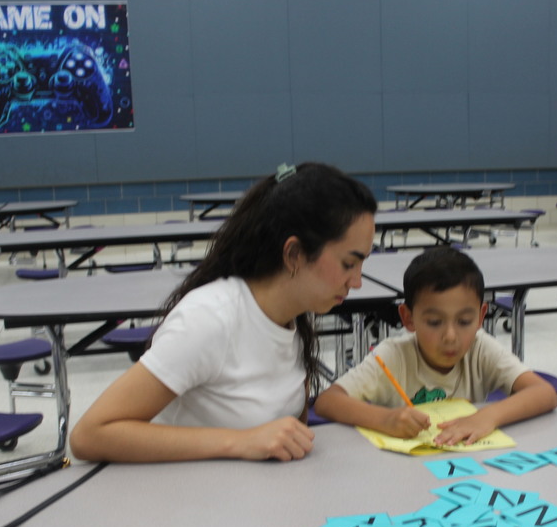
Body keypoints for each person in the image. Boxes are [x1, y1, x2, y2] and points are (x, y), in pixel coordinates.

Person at [69, 162, 378, 463]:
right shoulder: (208, 319)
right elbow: (90, 435)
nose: (358, 282)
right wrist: (241, 442)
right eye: (348, 264)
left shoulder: (292, 318)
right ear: (294, 254)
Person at [313, 247, 557, 446]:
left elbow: (544, 393)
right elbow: (327, 402)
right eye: (434, 322)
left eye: (464, 321)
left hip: (465, 468)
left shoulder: (480, 348)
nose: (451, 336)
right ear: (408, 318)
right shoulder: (393, 356)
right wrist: (384, 419)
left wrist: (486, 417)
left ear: (481, 316)